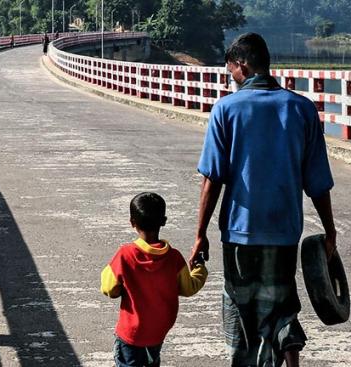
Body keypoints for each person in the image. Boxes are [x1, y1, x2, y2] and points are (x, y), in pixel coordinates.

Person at [192, 33, 338, 367]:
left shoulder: (226, 109)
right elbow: (318, 182)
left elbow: (211, 179)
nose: (232, 81)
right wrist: (330, 232)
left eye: (232, 73)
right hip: (284, 232)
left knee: (243, 311)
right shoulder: (301, 109)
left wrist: (200, 233)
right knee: (281, 304)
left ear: (241, 64)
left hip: (241, 233)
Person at [101, 192, 209, 367]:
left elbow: (108, 288)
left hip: (131, 335)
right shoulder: (174, 258)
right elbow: (189, 288)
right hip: (158, 333)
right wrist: (199, 268)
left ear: (132, 223)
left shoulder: (124, 255)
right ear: (164, 221)